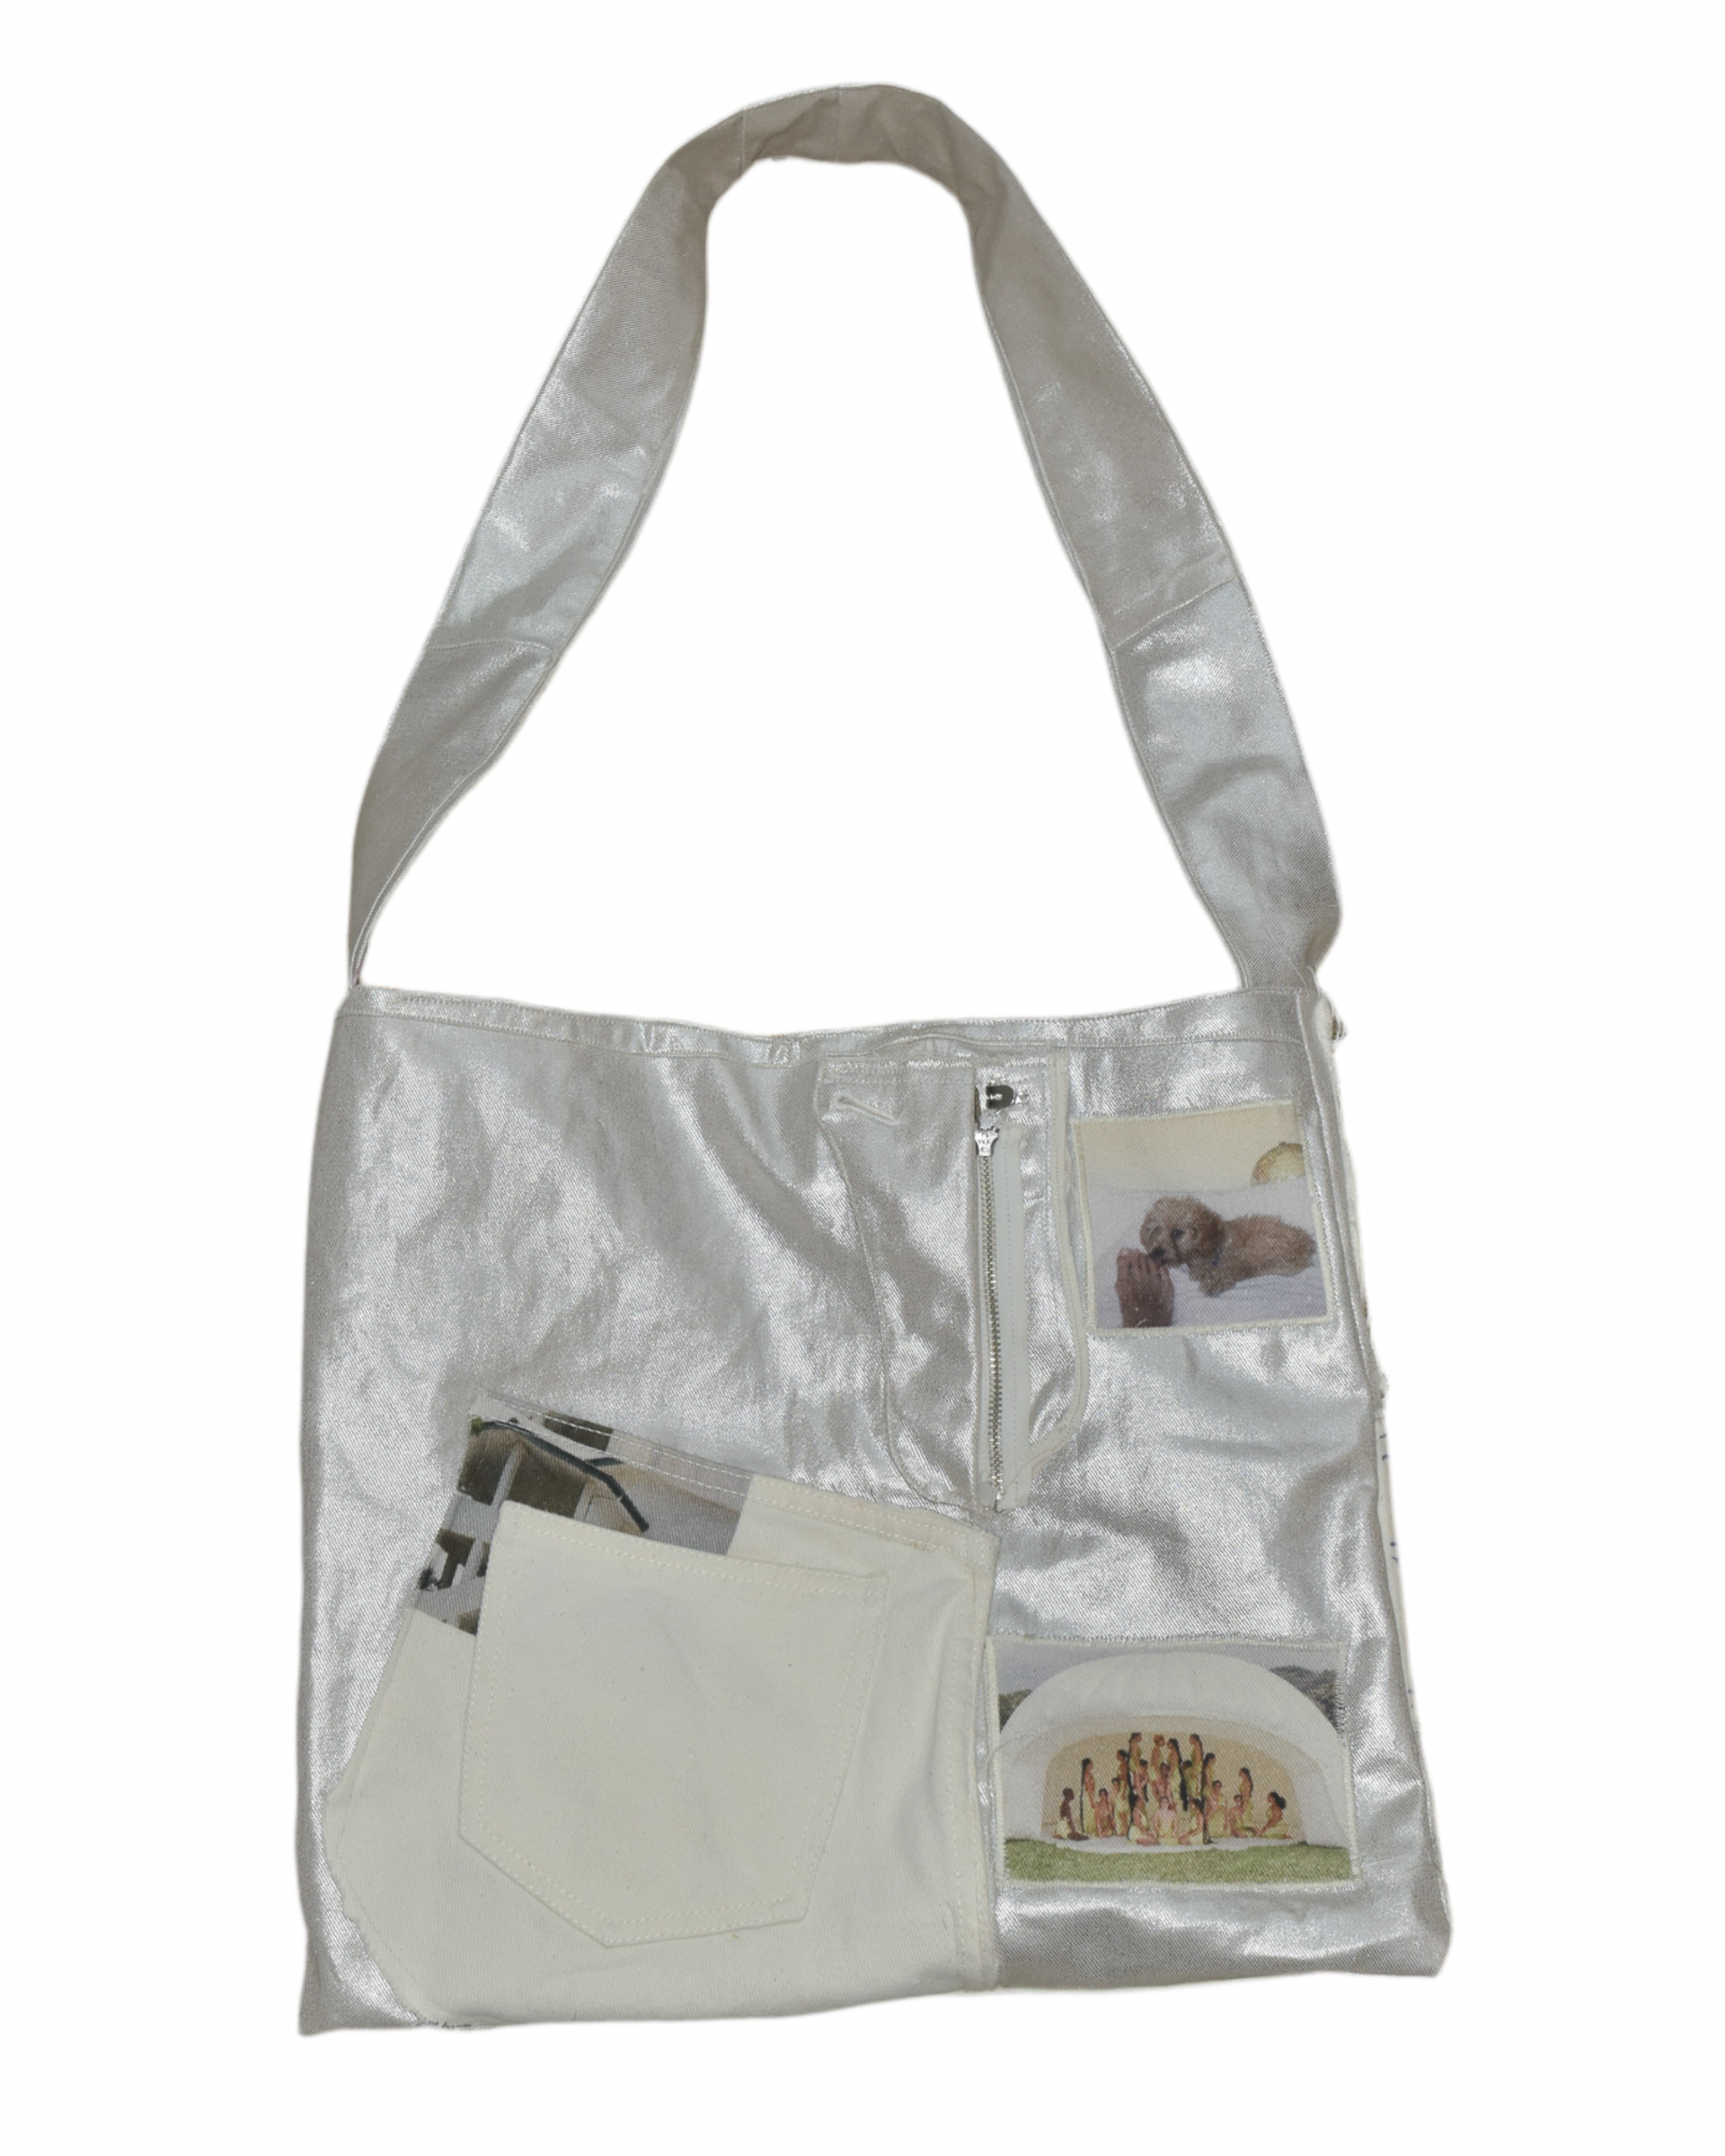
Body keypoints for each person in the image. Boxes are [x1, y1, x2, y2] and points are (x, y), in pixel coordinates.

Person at [1234, 1765, 1257, 1838]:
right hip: (1243, 1802)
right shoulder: (1243, 1782)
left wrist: (1244, 1806)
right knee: (1243, 1820)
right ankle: (1245, 1833)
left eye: (1241, 1773)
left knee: (1246, 1820)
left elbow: (1246, 1795)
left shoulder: (1247, 1783)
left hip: (1246, 1802)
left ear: (1245, 1773)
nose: (1239, 1774)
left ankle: (1256, 1833)